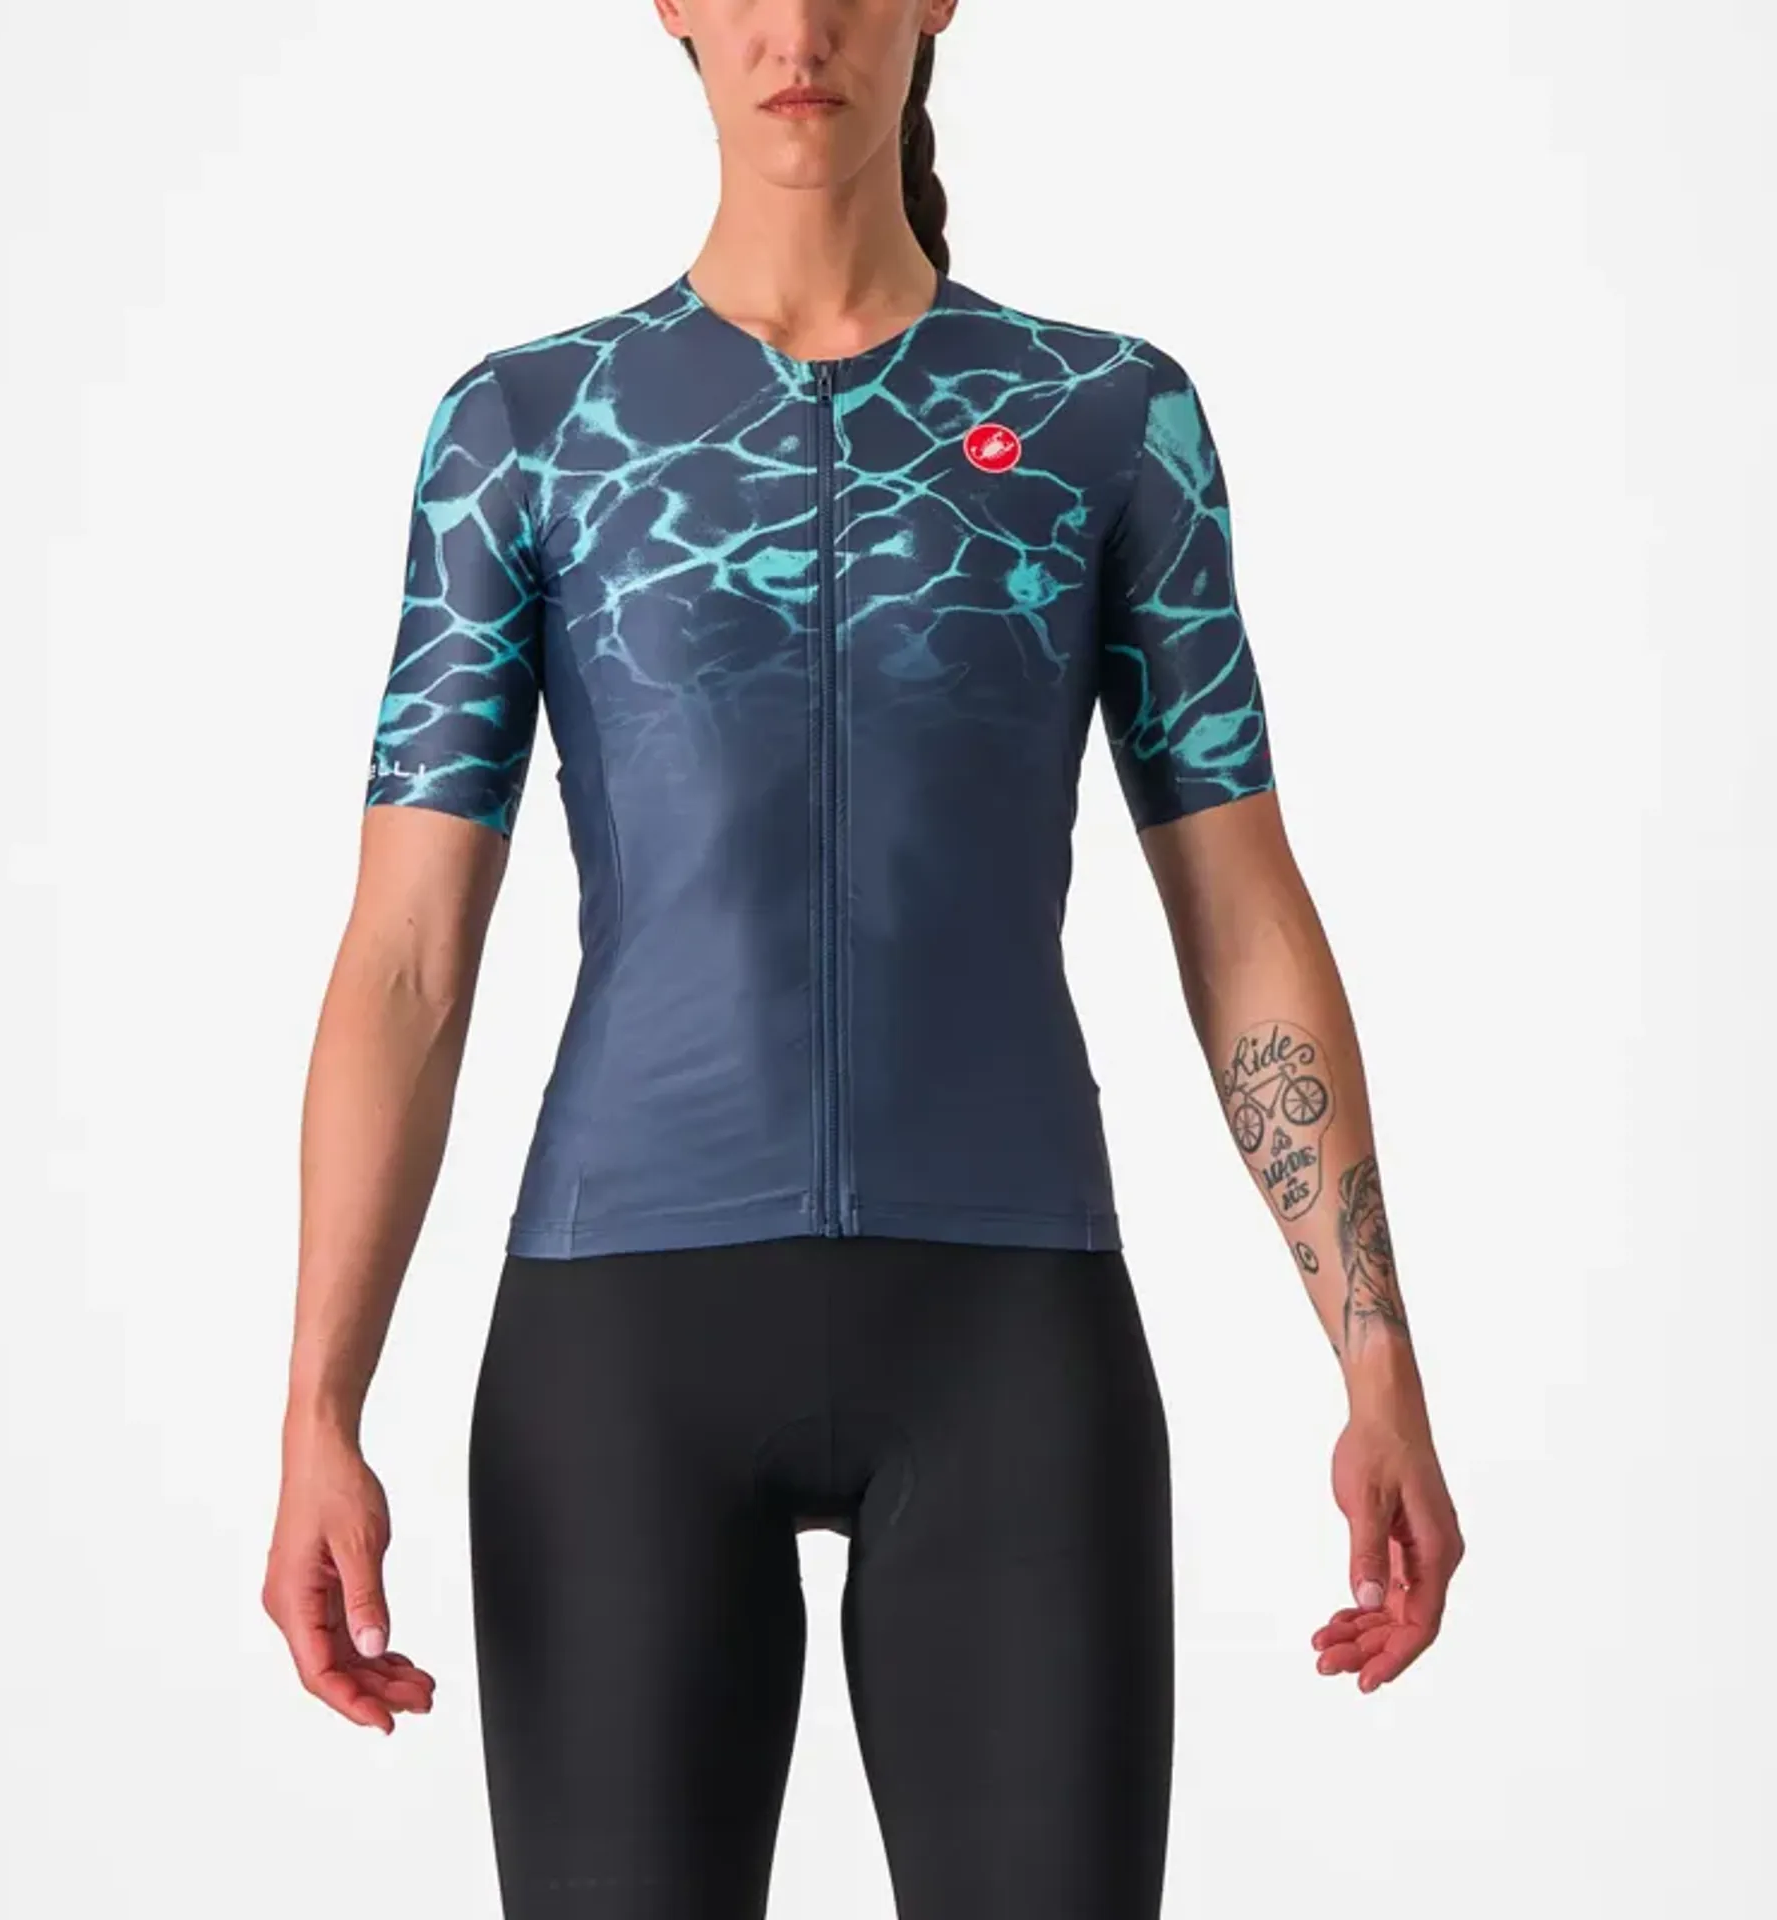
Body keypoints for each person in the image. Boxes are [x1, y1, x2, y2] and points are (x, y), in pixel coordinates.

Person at [263, 2, 1465, 1913]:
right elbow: (407, 956)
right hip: (621, 1352)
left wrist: (1377, 1358)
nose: (801, 27)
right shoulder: (530, 431)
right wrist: (319, 1411)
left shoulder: (1104, 419)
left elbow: (1240, 914)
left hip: (1009, 1340)